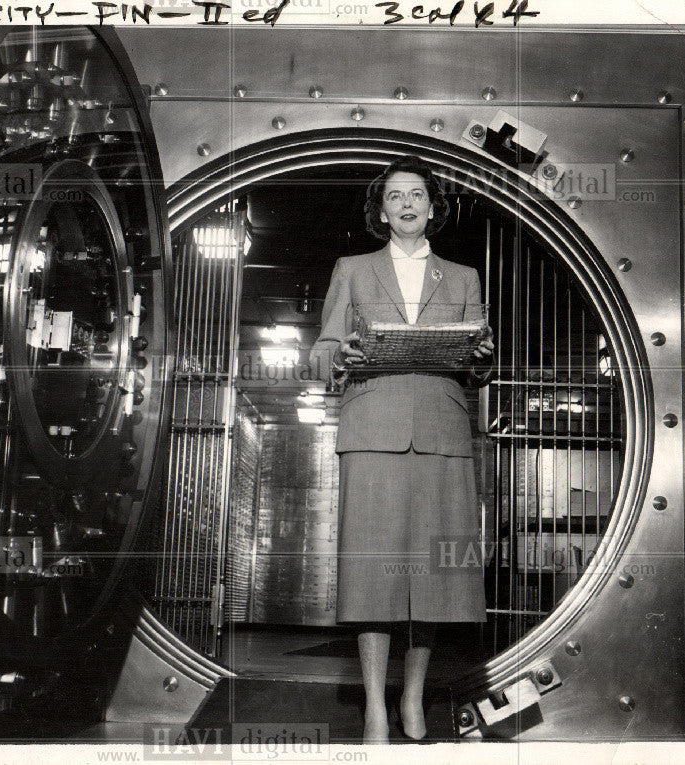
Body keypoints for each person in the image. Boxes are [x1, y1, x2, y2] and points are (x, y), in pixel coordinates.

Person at [310, 156, 494, 743]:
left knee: (432, 577)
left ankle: (413, 701)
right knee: (373, 579)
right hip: (372, 432)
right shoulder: (353, 269)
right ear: (381, 209)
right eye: (395, 196)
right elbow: (321, 352)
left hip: (441, 434)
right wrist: (342, 357)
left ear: (433, 207)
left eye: (417, 194)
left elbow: (477, 367)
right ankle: (372, 709)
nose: (407, 204)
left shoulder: (464, 277)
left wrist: (481, 359)